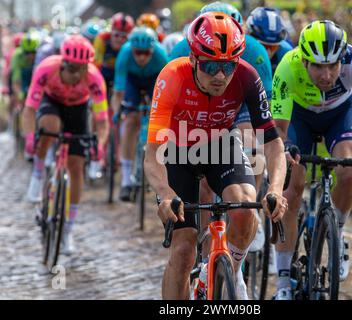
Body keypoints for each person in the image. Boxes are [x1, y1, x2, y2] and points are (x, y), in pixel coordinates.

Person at [144, 12, 288, 300]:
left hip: (219, 146)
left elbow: (272, 143)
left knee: (246, 209)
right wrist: (164, 192)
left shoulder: (247, 76)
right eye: (210, 66)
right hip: (175, 151)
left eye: (228, 66)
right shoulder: (172, 76)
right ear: (194, 59)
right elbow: (152, 152)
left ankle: (229, 273)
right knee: (184, 249)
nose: (220, 76)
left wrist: (274, 189)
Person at [272, 20, 352, 300]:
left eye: (332, 66)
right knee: (291, 189)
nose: (326, 75)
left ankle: (335, 233)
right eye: (317, 66)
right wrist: (287, 147)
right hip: (298, 117)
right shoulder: (288, 67)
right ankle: (283, 282)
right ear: (304, 60)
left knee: (350, 171)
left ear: (342, 58)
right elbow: (278, 127)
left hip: (341, 113)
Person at [22, 35, 109, 254]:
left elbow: (102, 120)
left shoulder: (94, 79)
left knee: (76, 166)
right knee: (49, 127)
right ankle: (38, 174)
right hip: (51, 102)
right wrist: (31, 138)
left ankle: (67, 230)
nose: (74, 74)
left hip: (78, 109)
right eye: (70, 69)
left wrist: (99, 145)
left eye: (80, 70)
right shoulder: (45, 69)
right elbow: (30, 110)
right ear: (62, 63)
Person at [111, 27, 169, 201]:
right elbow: (118, 92)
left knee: (157, 119)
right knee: (130, 120)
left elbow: (168, 88)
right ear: (132, 50)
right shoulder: (125, 53)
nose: (142, 57)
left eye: (146, 53)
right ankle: (126, 179)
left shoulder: (160, 55)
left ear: (152, 50)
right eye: (138, 53)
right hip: (132, 80)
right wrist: (117, 112)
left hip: (154, 79)